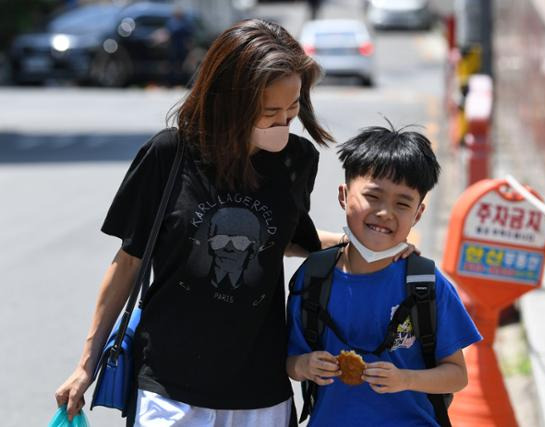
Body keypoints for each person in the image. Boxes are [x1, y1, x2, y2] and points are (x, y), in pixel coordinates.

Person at [54, 19, 350, 426]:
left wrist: (362, 244)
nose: (285, 122)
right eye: (270, 112)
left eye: (294, 107)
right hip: (169, 383)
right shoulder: (169, 154)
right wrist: (86, 364)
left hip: (259, 387)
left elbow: (281, 239)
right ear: (231, 102)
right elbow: (129, 262)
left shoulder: (297, 160)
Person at [286, 124, 483, 426]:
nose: (384, 212)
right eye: (373, 197)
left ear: (418, 214)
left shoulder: (426, 285)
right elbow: (289, 362)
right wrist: (304, 365)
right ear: (343, 196)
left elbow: (456, 375)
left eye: (402, 203)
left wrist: (406, 379)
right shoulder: (312, 279)